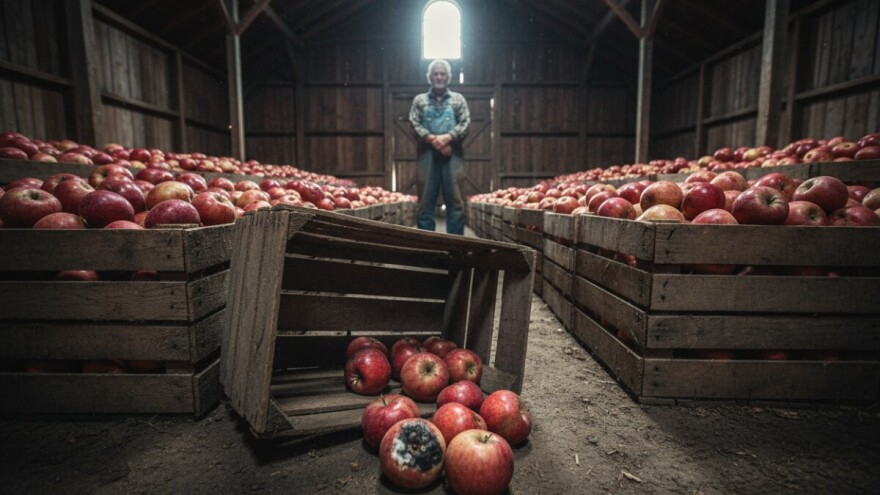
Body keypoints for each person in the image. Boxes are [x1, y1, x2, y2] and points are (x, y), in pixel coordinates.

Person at [408, 59, 471, 235]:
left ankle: (455, 248)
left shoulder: (458, 100)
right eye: (435, 73)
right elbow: (413, 123)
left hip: (453, 155)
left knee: (456, 202)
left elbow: (465, 122)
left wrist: (447, 137)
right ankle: (428, 248)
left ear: (448, 77)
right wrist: (433, 139)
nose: (439, 77)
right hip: (426, 155)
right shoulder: (419, 100)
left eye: (442, 73)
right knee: (425, 202)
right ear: (429, 77)